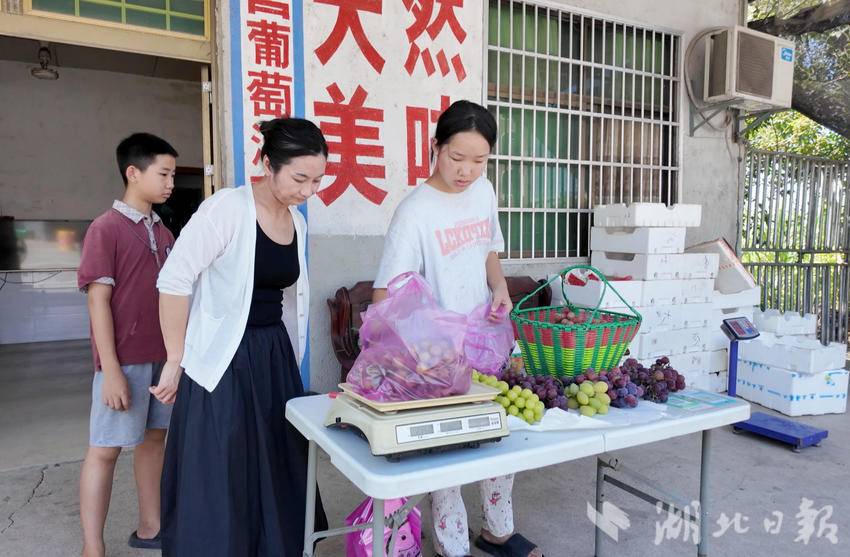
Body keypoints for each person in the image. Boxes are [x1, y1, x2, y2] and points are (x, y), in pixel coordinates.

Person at [372, 101, 544, 557]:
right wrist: (418, 350)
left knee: (499, 436)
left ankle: (498, 532)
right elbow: (386, 293)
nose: (467, 171)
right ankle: (452, 546)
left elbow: (489, 249)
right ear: (435, 147)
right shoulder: (414, 212)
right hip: (436, 352)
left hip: (486, 336)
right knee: (448, 450)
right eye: (457, 157)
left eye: (479, 160)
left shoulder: (483, 191)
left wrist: (499, 287)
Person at [153, 117, 328, 556]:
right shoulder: (226, 210)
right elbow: (174, 280)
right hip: (225, 356)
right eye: (300, 179)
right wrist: (175, 358)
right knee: (224, 460)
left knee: (276, 456)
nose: (308, 191)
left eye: (317, 180)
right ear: (267, 164)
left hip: (273, 353)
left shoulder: (297, 222)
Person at [77, 132, 178, 556]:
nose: (171, 183)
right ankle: (93, 547)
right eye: (164, 174)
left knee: (154, 441)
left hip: (162, 358)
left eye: (173, 175)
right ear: (133, 173)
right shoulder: (106, 229)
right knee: (105, 450)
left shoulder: (165, 233)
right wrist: (111, 371)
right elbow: (98, 302)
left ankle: (151, 527)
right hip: (123, 360)